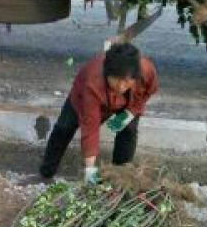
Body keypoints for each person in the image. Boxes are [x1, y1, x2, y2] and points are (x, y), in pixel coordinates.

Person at [39, 43, 159, 183]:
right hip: (83, 100)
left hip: (127, 103)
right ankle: (46, 173)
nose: (121, 87)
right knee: (64, 127)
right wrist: (90, 169)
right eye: (116, 80)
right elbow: (90, 128)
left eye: (126, 81)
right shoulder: (92, 82)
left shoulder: (146, 71)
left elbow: (148, 91)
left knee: (129, 130)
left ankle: (120, 177)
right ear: (107, 73)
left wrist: (131, 113)